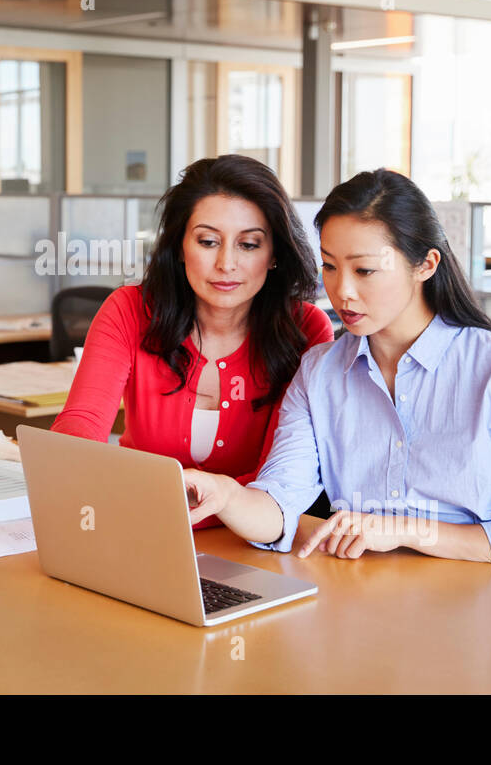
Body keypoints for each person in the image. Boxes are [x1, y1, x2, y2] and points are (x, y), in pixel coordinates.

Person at [183, 169, 491, 579]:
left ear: (425, 264)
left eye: (365, 270)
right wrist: (227, 495)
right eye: (331, 267)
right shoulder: (319, 372)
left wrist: (408, 532)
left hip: (475, 617)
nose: (342, 291)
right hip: (359, 607)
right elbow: (278, 507)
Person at [52, 155, 334, 522]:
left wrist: (182, 504)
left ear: (274, 254)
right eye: (207, 241)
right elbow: (81, 425)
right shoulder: (129, 310)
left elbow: (277, 478)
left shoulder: (305, 329)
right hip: (141, 524)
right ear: (180, 246)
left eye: (248, 244)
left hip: (249, 540)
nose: (226, 264)